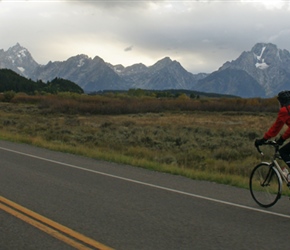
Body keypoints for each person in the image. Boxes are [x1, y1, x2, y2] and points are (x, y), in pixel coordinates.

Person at [255, 90, 290, 168]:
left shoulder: (285, 110)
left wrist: (263, 140)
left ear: (283, 101)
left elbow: (275, 129)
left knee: (283, 152)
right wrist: (282, 139)